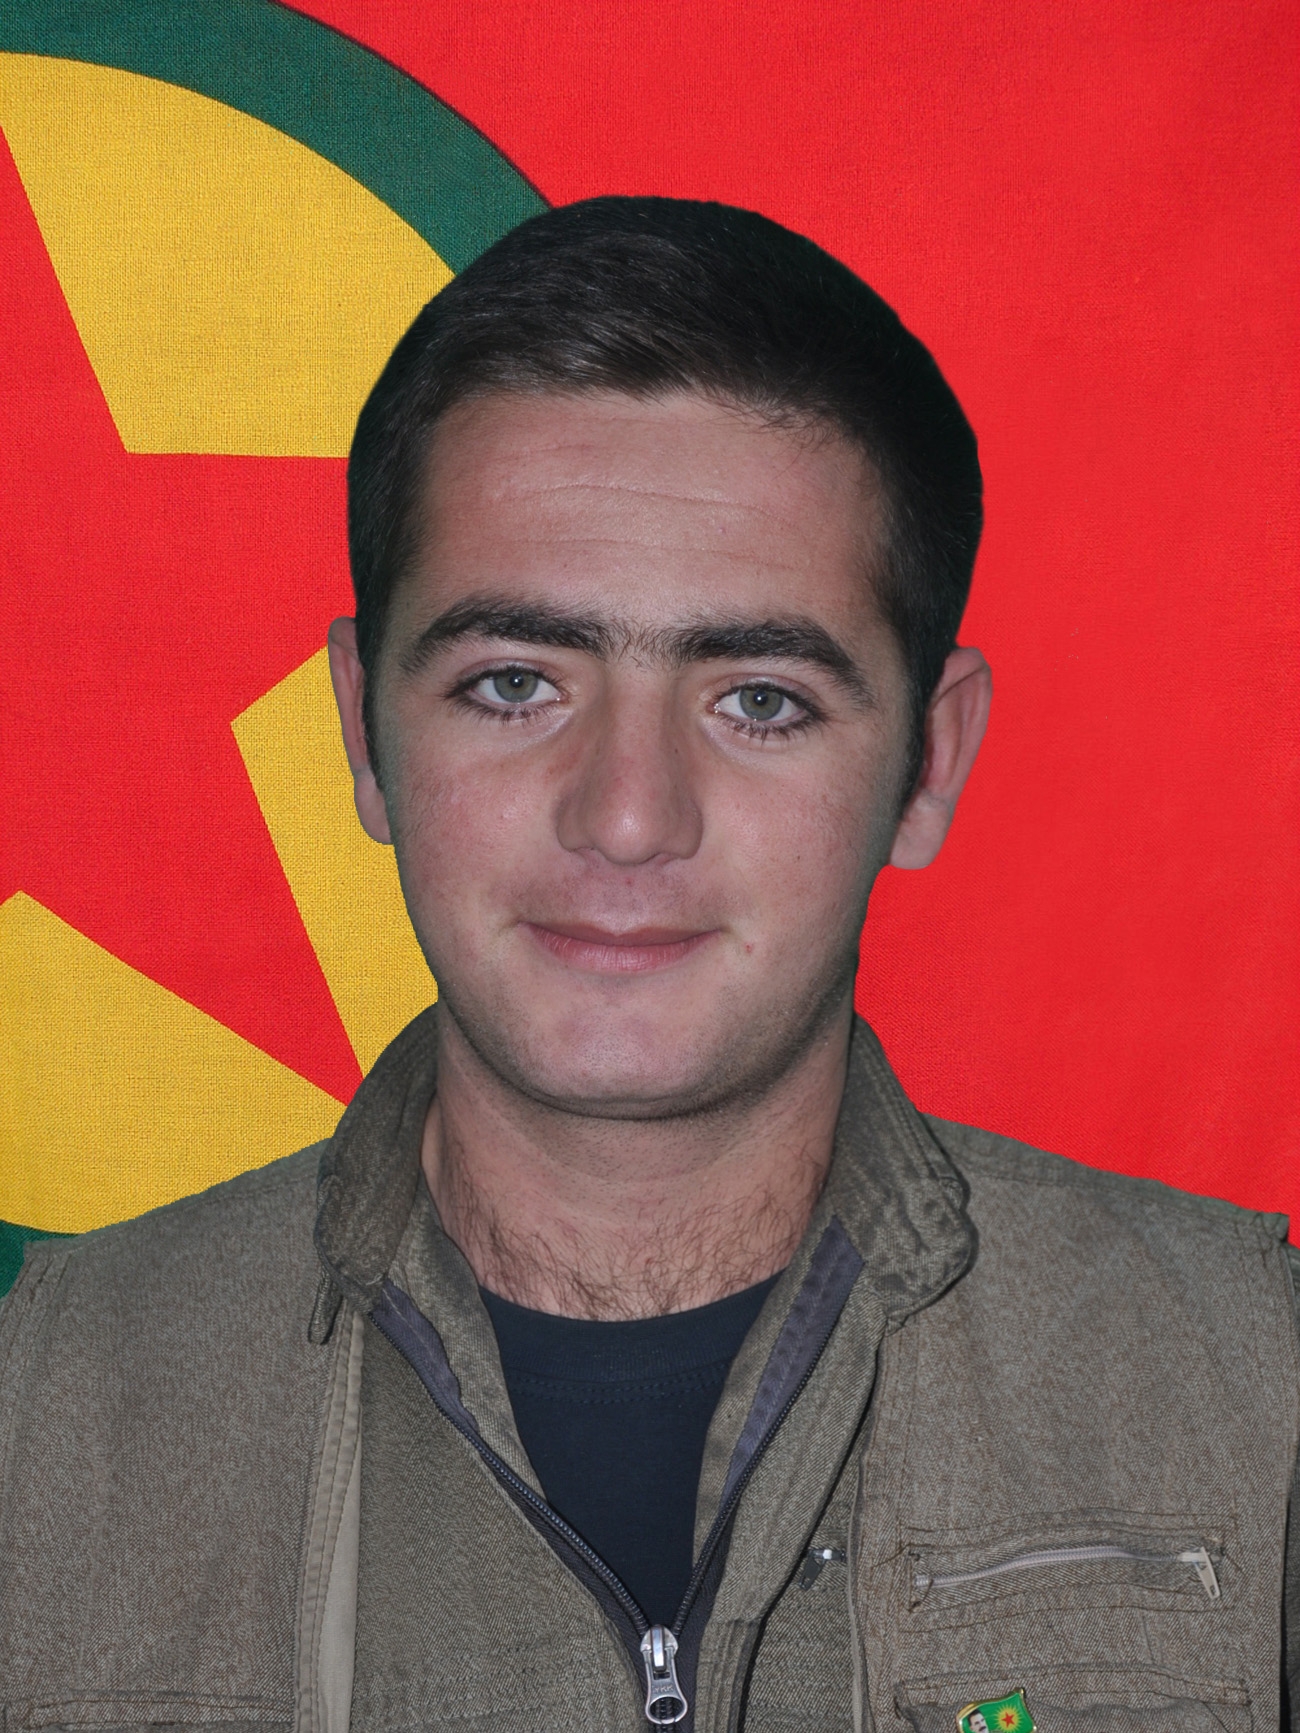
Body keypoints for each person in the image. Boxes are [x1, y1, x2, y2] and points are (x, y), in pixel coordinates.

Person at [1, 197, 1296, 1733]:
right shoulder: (41, 1410)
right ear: (360, 727)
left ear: (930, 761)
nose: (626, 816)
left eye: (759, 699)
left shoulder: (1254, 1382)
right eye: (513, 682)